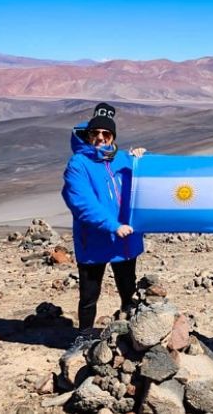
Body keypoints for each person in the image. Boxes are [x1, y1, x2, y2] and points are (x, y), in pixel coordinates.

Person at [62, 102, 145, 333]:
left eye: (106, 134)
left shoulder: (123, 159)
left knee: (128, 289)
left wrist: (141, 158)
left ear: (112, 137)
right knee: (89, 295)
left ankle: (130, 334)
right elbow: (81, 203)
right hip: (95, 239)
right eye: (95, 133)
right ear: (88, 136)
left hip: (124, 239)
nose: (100, 138)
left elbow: (146, 181)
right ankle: (85, 336)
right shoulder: (78, 164)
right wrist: (112, 225)